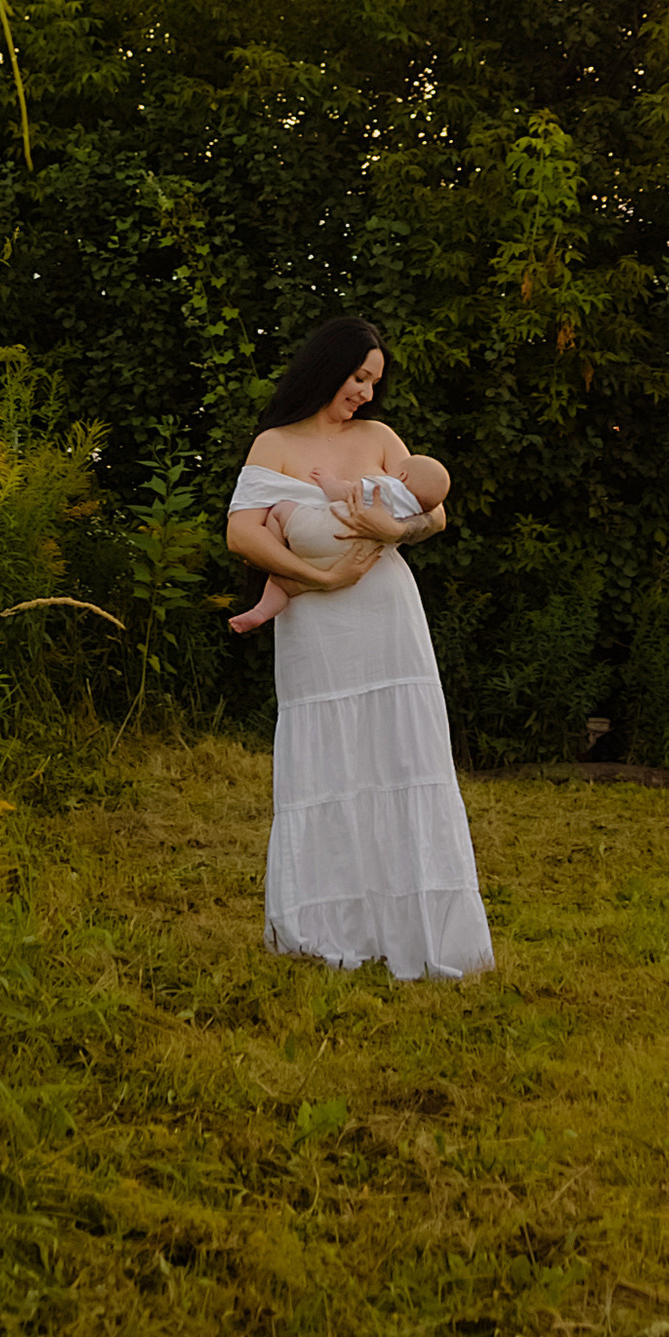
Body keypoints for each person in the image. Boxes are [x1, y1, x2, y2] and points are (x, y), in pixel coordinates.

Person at [225, 315, 494, 983]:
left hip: (387, 621)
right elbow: (242, 534)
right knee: (329, 763)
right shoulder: (274, 444)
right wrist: (319, 578)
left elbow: (434, 510)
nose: (367, 393)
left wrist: (393, 529)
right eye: (359, 377)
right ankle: (326, 929)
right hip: (317, 629)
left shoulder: (377, 437)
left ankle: (416, 929)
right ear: (329, 368)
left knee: (399, 755)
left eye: (374, 382)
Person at [226, 445, 453, 634]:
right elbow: (436, 518)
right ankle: (281, 595)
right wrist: (395, 530)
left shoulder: (386, 487)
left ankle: (268, 594)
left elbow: (343, 492)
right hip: (359, 556)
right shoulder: (415, 510)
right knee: (290, 584)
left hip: (325, 533)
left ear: (402, 476)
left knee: (279, 510)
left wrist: (328, 480)